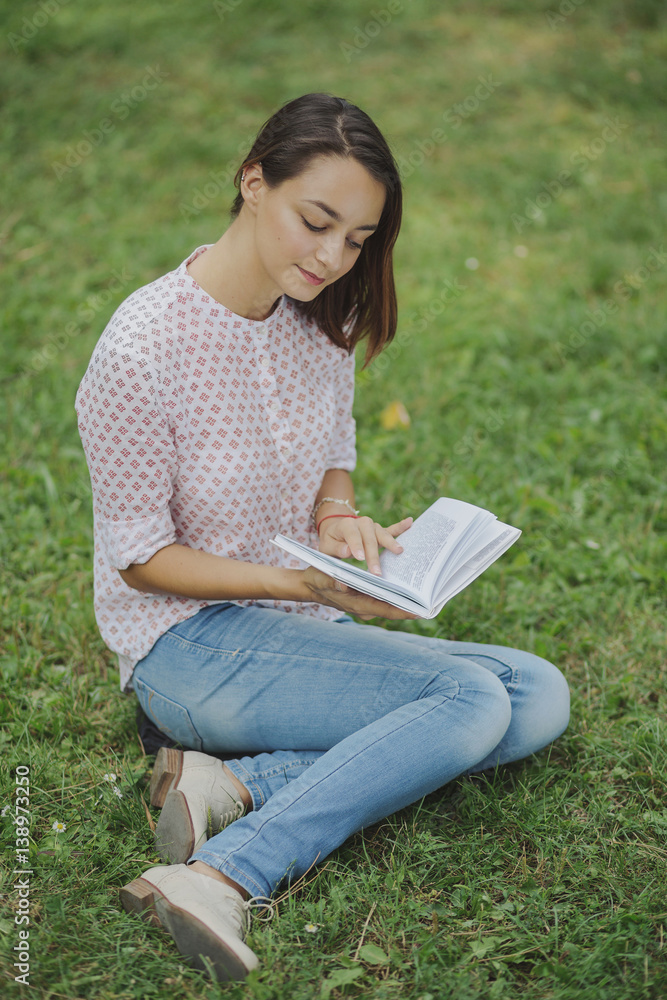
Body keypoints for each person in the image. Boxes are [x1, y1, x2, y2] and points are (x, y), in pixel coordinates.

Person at [75, 92, 570, 982]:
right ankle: (225, 872)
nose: (333, 256)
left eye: (358, 239)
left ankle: (233, 785)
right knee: (468, 702)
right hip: (185, 650)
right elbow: (142, 560)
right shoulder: (140, 350)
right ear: (253, 182)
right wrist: (303, 589)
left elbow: (330, 458)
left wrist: (338, 521)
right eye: (317, 221)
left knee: (534, 693)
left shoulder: (318, 324)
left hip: (299, 627)